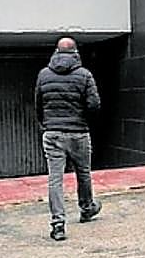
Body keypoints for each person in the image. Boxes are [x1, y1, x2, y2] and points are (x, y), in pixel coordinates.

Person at [35, 37, 102, 242]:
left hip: (52, 132)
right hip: (78, 132)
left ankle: (58, 224)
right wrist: (83, 120)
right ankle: (87, 208)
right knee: (83, 173)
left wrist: (45, 125)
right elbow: (94, 105)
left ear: (56, 52)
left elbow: (38, 104)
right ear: (75, 53)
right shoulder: (84, 75)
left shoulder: (44, 75)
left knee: (55, 179)